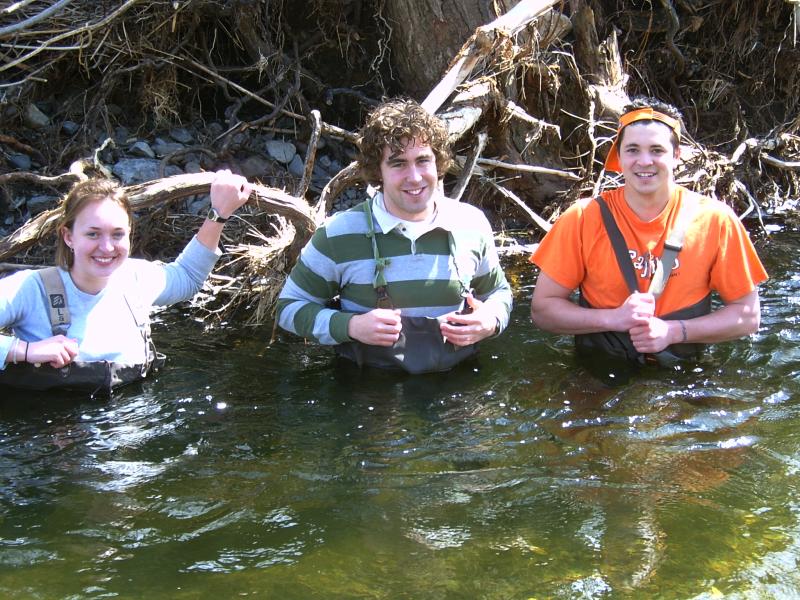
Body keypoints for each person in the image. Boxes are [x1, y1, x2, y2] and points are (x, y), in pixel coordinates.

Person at [277, 98, 513, 374]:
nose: (414, 177)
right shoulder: (338, 234)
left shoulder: (471, 224)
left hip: (458, 395)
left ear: (438, 163)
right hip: (369, 397)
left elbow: (500, 292)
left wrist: (491, 320)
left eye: (423, 160)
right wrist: (351, 326)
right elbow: (288, 309)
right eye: (398, 164)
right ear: (378, 171)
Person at [529, 97, 768, 366]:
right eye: (632, 150)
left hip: (684, 372)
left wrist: (673, 332)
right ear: (618, 157)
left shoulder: (716, 219)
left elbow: (748, 317)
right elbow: (543, 310)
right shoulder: (582, 218)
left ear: (676, 155)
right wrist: (612, 318)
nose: (644, 161)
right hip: (601, 368)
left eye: (657, 150)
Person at [0, 169, 253, 394]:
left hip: (133, 438)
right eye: (93, 234)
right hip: (52, 439)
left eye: (118, 234)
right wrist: (23, 350)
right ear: (68, 236)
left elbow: (187, 277)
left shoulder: (136, 279)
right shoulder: (30, 288)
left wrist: (218, 214)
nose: (107, 247)